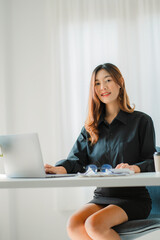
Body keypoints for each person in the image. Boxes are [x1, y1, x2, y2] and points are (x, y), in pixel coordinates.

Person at [45, 63, 156, 240]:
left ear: (120, 83)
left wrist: (135, 168)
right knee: (73, 224)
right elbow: (76, 161)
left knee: (94, 224)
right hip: (103, 196)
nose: (102, 87)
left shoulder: (142, 121)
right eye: (97, 83)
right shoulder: (90, 127)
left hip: (134, 198)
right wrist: (58, 169)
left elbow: (153, 161)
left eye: (108, 80)